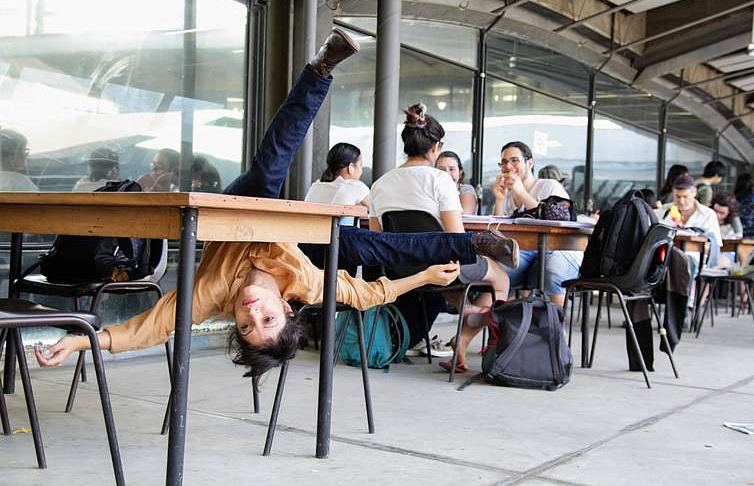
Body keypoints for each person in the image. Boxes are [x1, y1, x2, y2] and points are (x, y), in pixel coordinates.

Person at [35, 29, 517, 381]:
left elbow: (147, 330)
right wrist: (425, 276)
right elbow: (367, 295)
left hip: (243, 205)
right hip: (297, 242)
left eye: (246, 323)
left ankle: (318, 69)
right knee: (370, 250)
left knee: (268, 173)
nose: (251, 311)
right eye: (266, 319)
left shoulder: (211, 293)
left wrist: (79, 339)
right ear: (287, 309)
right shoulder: (304, 284)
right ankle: (472, 240)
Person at [369, 104, 512, 370]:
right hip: (439, 268)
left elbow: (376, 240)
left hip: (398, 271)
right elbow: (456, 239)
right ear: (436, 147)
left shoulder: (380, 184)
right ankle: (468, 335)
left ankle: (466, 314)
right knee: (501, 278)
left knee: (450, 280)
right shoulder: (440, 180)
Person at [491, 141, 582, 307]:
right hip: (525, 254)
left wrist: (522, 192)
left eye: (514, 160)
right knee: (496, 271)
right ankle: (505, 324)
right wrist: (499, 199)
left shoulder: (549, 186)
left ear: (529, 163)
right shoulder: (506, 194)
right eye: (504, 162)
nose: (508, 166)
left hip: (558, 251)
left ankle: (555, 327)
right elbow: (497, 235)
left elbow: (559, 222)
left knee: (551, 270)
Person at [305, 142, 369, 207]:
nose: (361, 170)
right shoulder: (354, 186)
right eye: (360, 165)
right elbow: (376, 210)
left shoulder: (316, 186)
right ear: (351, 167)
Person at [435, 150, 477, 214]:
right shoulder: (432, 189)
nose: (447, 174)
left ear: (460, 172)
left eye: (451, 169)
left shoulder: (466, 189)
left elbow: (464, 215)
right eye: (441, 169)